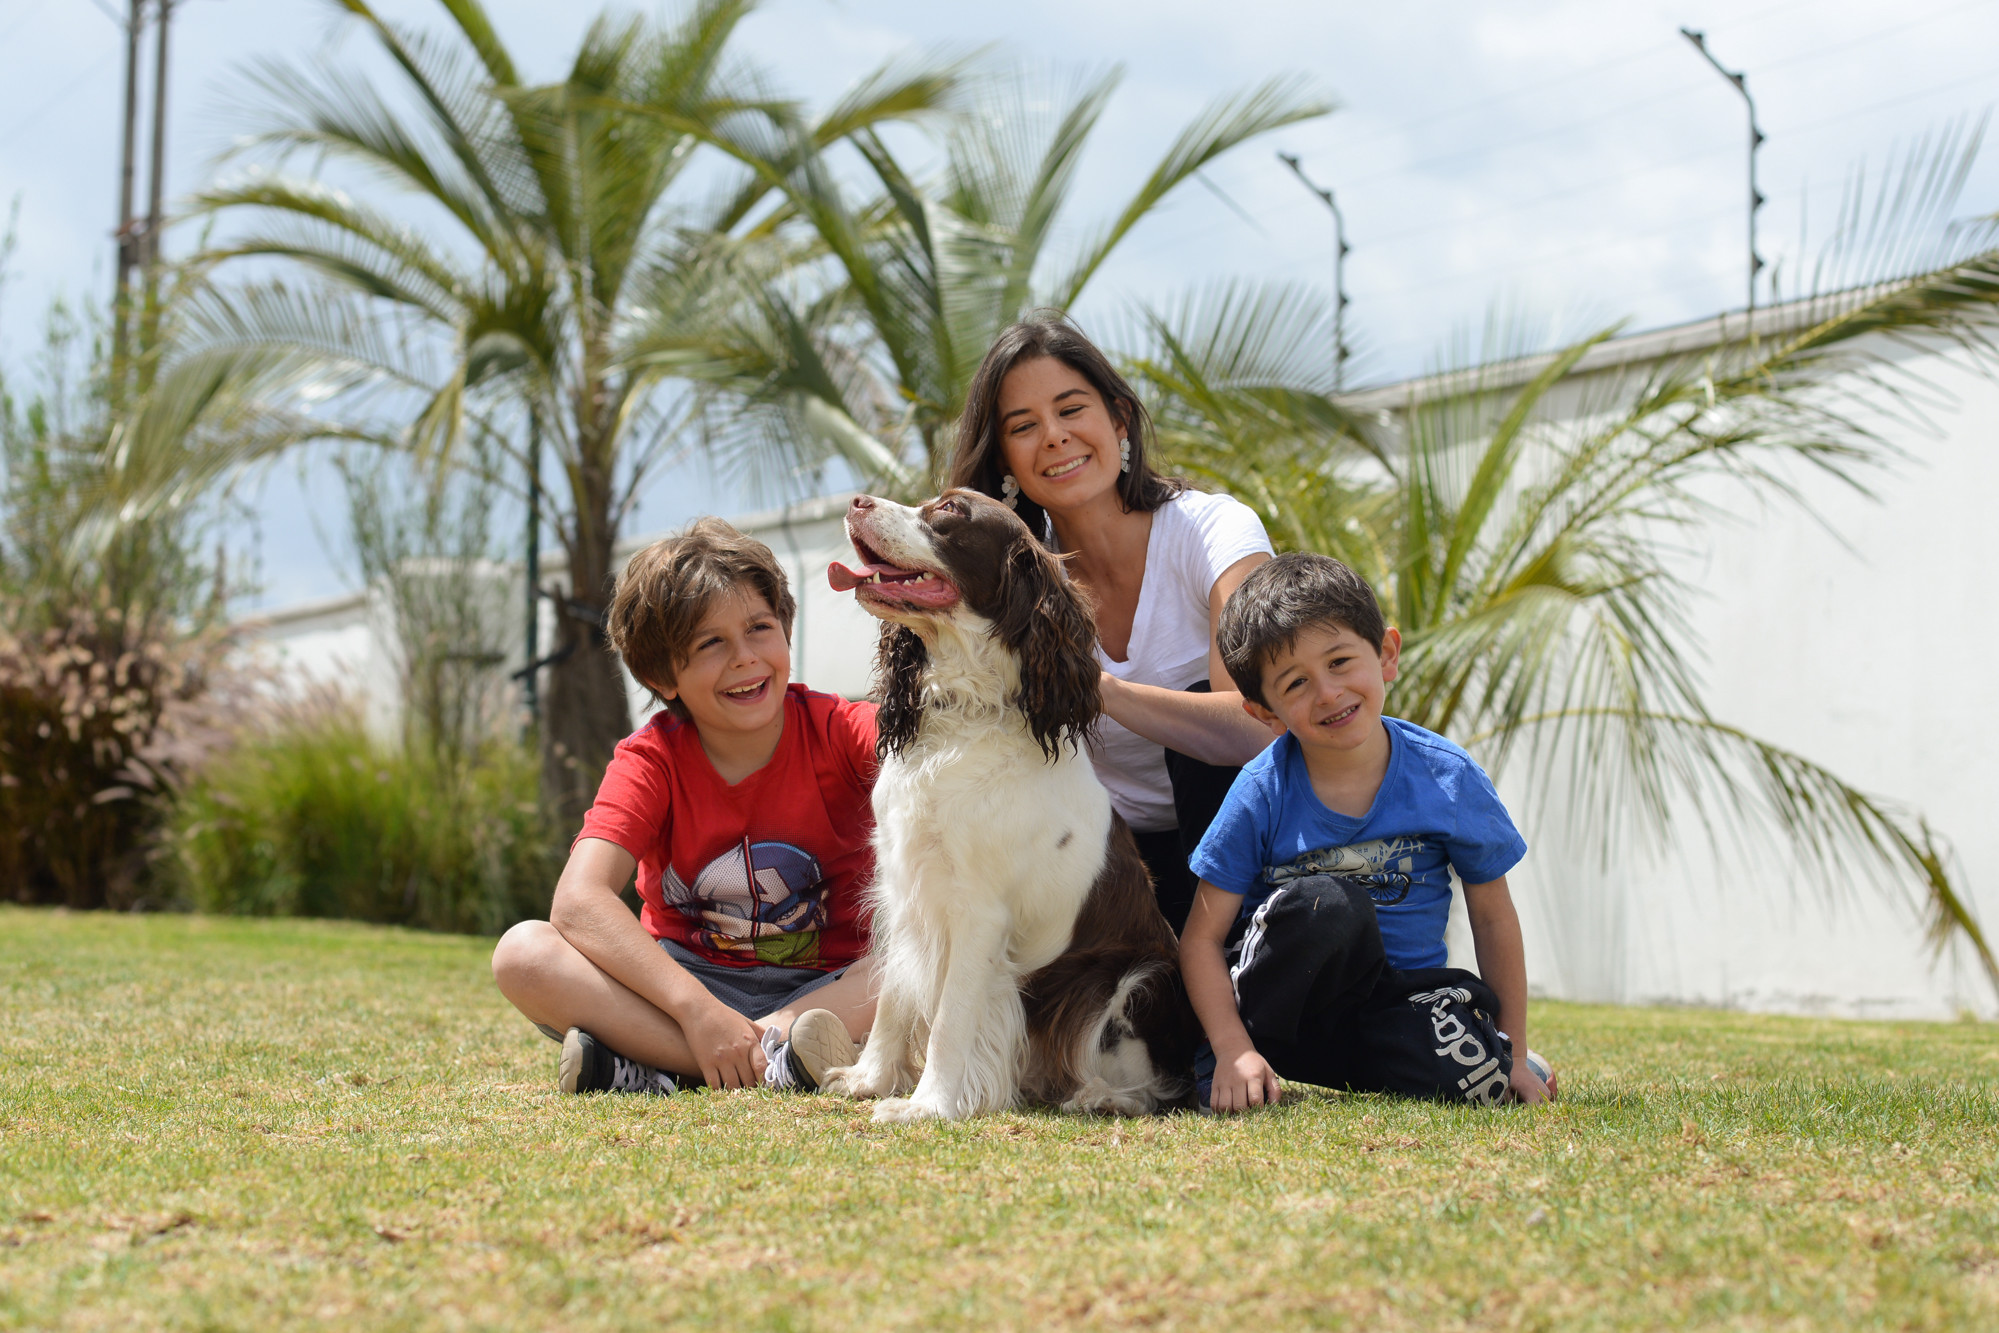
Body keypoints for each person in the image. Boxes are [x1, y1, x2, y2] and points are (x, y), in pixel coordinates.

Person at [491, 518, 878, 1096]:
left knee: (936, 957)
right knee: (523, 953)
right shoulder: (650, 759)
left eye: (759, 628)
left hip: (831, 989)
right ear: (659, 674)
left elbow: (940, 759)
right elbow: (578, 901)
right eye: (710, 643)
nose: (745, 658)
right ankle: (773, 1065)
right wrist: (697, 1012)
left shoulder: (842, 728)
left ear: (787, 632)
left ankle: (657, 1069)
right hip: (690, 986)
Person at [1181, 552, 1556, 1110]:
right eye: (1296, 683)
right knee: (1329, 904)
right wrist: (1233, 1045)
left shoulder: (1447, 776)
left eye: (1339, 662)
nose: (1328, 693)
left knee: (1484, 1087)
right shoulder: (1263, 789)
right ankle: (1228, 1062)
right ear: (1264, 710)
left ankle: (1484, 1056)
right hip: (1281, 1014)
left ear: (1386, 654)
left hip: (1397, 1008)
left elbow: (1494, 917)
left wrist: (1515, 1049)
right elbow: (1201, 941)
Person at [949, 312, 1275, 931]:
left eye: (1072, 409)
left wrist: (1098, 690)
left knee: (1205, 704)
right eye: (1024, 426)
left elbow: (1256, 726)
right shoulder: (1004, 586)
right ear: (1006, 463)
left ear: (1119, 419)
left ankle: (1236, 966)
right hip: (1111, 866)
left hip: (1252, 846)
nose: (1054, 436)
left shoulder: (1215, 532)